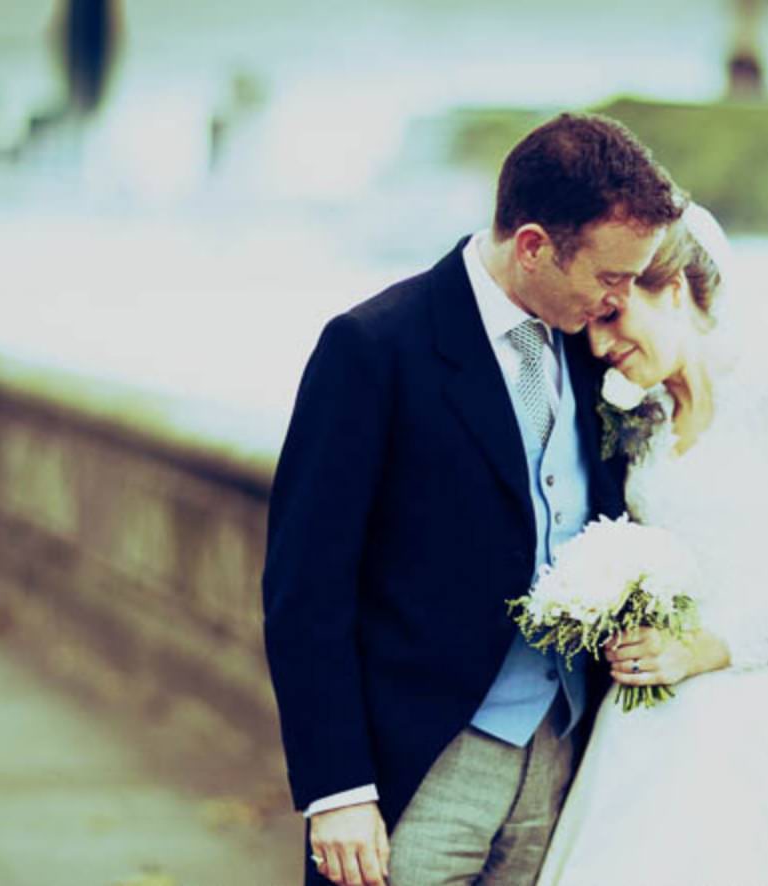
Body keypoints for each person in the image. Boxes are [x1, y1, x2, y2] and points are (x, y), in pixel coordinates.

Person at [261, 112, 684, 886]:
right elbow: (305, 591)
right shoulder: (373, 350)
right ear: (532, 246)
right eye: (610, 276)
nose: (620, 300)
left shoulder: (592, 356)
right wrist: (338, 789)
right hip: (420, 763)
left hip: (560, 756)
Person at [536, 205, 768, 885]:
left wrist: (704, 647)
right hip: (645, 726)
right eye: (592, 324)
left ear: (674, 291)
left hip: (758, 721)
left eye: (613, 317)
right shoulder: (640, 424)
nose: (600, 346)